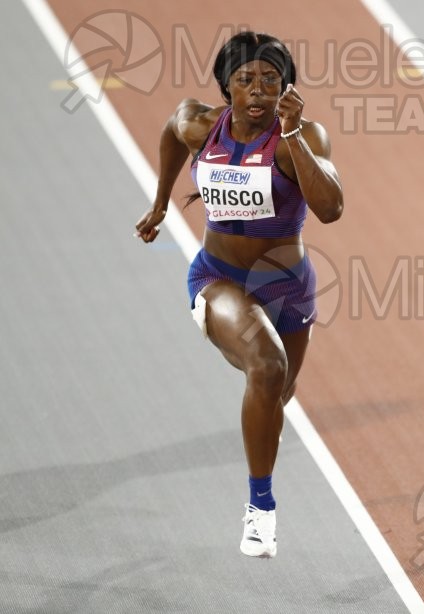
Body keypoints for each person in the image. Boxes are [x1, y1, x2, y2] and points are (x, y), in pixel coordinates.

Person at [134, 31, 344, 558]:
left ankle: (260, 451)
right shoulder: (200, 125)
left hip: (289, 289)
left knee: (279, 393)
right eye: (246, 79)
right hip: (219, 278)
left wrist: (293, 134)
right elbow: (168, 132)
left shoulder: (305, 136)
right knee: (268, 367)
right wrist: (160, 202)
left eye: (271, 80)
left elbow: (332, 208)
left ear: (286, 87)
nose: (258, 90)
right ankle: (261, 509)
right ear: (226, 87)